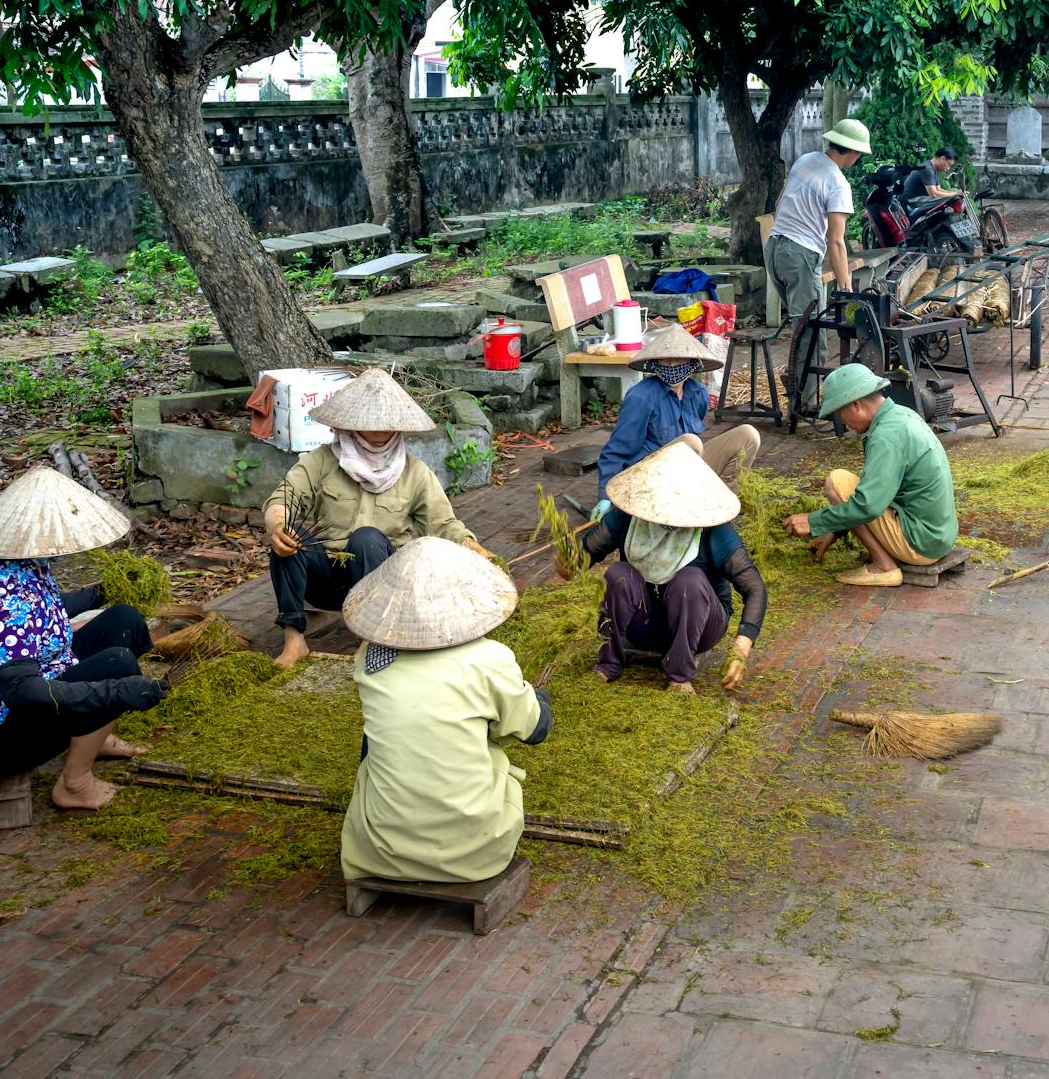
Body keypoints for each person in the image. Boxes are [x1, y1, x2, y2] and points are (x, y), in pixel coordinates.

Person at [0, 466, 169, 811]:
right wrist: (115, 692)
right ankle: (74, 784)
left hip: (40, 681)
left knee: (123, 619)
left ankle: (95, 736)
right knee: (119, 667)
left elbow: (44, 611)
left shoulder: (23, 563)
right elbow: (21, 690)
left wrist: (101, 594)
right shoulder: (8, 599)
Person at [338, 537, 553, 885]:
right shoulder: (489, 660)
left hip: (380, 849)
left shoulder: (370, 663)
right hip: (473, 853)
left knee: (374, 745)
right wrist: (540, 699)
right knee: (492, 752)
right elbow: (534, 730)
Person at [263, 368, 490, 669]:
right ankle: (294, 641)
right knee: (290, 539)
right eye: (372, 422)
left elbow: (444, 524)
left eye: (388, 422)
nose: (381, 429)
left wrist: (470, 545)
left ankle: (370, 641)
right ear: (351, 424)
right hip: (328, 580)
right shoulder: (320, 462)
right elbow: (283, 499)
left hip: (387, 586)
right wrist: (277, 525)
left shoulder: (415, 472)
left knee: (367, 538)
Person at [575, 439, 767, 694]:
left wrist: (741, 647)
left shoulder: (712, 528)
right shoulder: (632, 515)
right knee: (619, 574)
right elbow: (586, 552)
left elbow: (754, 588)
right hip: (643, 624)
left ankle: (679, 675)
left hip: (699, 627)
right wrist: (570, 562)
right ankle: (609, 662)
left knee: (689, 580)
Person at [783, 363, 958, 587]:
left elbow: (868, 506)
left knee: (837, 482)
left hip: (921, 543)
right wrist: (835, 531)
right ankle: (886, 557)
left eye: (840, 413)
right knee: (856, 487)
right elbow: (878, 492)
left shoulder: (886, 436)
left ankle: (883, 567)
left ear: (856, 404)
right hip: (938, 535)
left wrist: (814, 521)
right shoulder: (901, 414)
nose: (844, 423)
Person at [594, 324, 760, 518]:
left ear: (691, 363)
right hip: (648, 483)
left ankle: (718, 507)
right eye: (666, 359)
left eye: (679, 359)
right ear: (655, 363)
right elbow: (615, 452)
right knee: (691, 442)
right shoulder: (641, 398)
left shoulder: (698, 393)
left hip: (683, 479)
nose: (672, 364)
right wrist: (605, 497)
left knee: (748, 435)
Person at [768, 118, 869, 406]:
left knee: (800, 327)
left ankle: (796, 382)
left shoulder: (806, 160)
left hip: (774, 249)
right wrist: (846, 288)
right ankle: (805, 406)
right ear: (852, 152)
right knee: (812, 332)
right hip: (799, 255)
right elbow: (836, 241)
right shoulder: (838, 183)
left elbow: (779, 203)